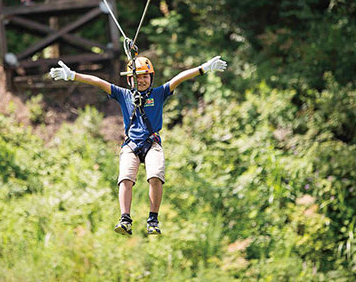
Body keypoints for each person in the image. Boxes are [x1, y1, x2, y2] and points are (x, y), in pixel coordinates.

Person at [49, 55, 228, 235]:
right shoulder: (123, 94)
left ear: (151, 78)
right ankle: (125, 219)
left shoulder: (159, 93)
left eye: (145, 76)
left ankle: (153, 220)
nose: (141, 80)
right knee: (125, 178)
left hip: (152, 143)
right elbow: (98, 82)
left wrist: (203, 68)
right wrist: (72, 75)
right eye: (137, 77)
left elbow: (179, 78)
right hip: (131, 144)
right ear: (130, 79)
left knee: (155, 176)